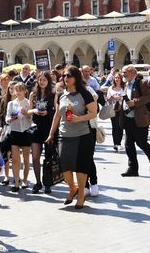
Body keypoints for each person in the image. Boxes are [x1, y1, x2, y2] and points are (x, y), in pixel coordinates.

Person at [46, 65, 97, 209]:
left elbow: (94, 113)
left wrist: (79, 119)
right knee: (65, 166)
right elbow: (57, 115)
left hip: (82, 135)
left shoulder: (84, 94)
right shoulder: (61, 95)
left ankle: (81, 195)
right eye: (64, 76)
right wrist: (51, 134)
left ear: (76, 78)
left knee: (81, 167)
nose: (65, 78)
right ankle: (72, 188)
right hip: (64, 135)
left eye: (68, 76)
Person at [117, 65, 150, 176]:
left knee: (141, 143)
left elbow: (149, 97)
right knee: (128, 145)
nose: (123, 74)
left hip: (140, 118)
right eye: (122, 72)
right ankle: (133, 168)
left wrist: (134, 102)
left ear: (133, 73)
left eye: (125, 72)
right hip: (128, 118)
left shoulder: (142, 83)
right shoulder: (126, 84)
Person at [28, 71, 56, 194]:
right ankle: (38, 182)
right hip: (36, 127)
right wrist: (34, 110)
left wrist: (48, 112)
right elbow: (28, 111)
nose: (42, 82)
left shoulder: (53, 94)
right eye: (40, 80)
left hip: (48, 127)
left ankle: (47, 183)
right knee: (35, 157)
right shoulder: (33, 94)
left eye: (44, 80)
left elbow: (57, 111)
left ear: (48, 81)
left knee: (48, 157)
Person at [6, 82, 34, 192]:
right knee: (16, 160)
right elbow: (7, 118)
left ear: (24, 91)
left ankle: (25, 180)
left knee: (26, 159)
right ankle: (16, 182)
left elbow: (31, 118)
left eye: (20, 90)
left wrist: (26, 113)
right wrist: (11, 118)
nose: (18, 92)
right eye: (16, 90)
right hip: (15, 131)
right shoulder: (11, 103)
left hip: (26, 131)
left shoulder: (28, 102)